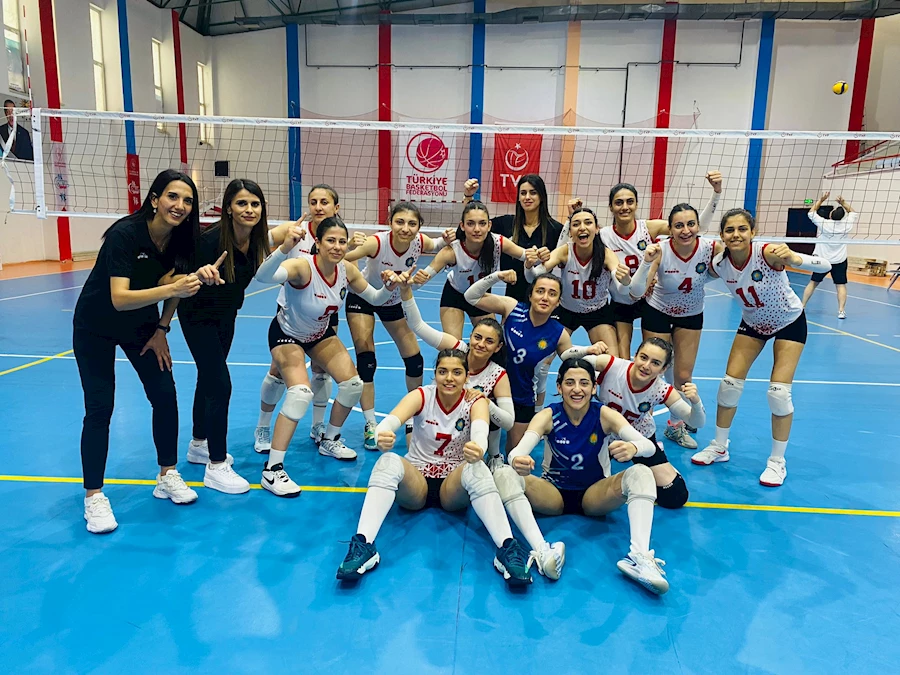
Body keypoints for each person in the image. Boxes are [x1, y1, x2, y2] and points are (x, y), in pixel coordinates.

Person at [74, 169, 203, 533]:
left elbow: (177, 285)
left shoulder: (182, 238)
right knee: (100, 407)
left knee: (164, 394)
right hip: (95, 325)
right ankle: (93, 496)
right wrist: (172, 289)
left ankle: (167, 474)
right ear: (155, 199)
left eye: (187, 200)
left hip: (141, 323)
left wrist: (162, 328)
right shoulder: (125, 234)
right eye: (173, 197)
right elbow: (119, 298)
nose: (180, 205)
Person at [336, 349, 534, 586]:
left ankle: (507, 547)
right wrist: (382, 436)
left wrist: (478, 447)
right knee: (387, 461)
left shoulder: (476, 400)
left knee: (478, 467)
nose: (449, 378)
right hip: (417, 483)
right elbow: (388, 423)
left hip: (453, 487)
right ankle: (363, 544)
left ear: (466, 377)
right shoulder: (422, 395)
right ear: (435, 374)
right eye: (443, 372)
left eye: (456, 372)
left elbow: (480, 433)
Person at [252, 216, 401, 496]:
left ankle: (329, 439)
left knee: (353, 384)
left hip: (318, 334)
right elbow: (262, 277)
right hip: (287, 333)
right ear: (318, 243)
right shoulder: (301, 267)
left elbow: (376, 299)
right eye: (330, 240)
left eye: (342, 241)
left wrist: (389, 287)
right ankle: (272, 470)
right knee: (299, 393)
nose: (337, 246)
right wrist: (284, 248)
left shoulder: (346, 270)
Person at [493, 358, 670, 593]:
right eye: (570, 382)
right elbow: (517, 451)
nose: (577, 389)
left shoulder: (604, 414)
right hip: (553, 494)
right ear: (559, 387)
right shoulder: (548, 415)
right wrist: (518, 461)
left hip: (595, 495)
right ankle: (543, 550)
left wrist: (634, 447)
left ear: (594, 387)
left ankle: (639, 558)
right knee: (503, 472)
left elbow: (648, 447)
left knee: (642, 472)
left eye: (584, 383)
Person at [692, 208, 831, 486]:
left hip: (789, 321)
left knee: (779, 394)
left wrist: (795, 258)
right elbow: (696, 274)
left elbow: (825, 265)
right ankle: (719, 446)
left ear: (752, 232)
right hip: (753, 323)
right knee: (728, 386)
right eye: (730, 230)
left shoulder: (767, 253)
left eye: (742, 229)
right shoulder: (720, 263)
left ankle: (777, 462)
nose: (736, 235)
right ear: (722, 235)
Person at [178, 179, 274, 495]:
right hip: (197, 317)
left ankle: (198, 444)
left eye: (255, 204)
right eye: (241, 203)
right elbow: (179, 279)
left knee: (207, 379)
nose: (249, 210)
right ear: (229, 208)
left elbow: (282, 236)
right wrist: (198, 275)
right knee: (220, 384)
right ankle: (216, 466)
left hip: (226, 316)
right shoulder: (209, 242)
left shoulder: (256, 241)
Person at [343, 202, 453, 450]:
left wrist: (448, 237)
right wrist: (349, 245)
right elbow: (340, 258)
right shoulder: (376, 243)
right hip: (364, 297)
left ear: (419, 226)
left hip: (392, 301)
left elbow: (437, 244)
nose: (405, 228)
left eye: (412, 224)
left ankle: (414, 417)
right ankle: (371, 424)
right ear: (390, 223)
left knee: (415, 360)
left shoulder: (419, 242)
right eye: (400, 222)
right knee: (367, 359)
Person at [463, 269, 607, 452]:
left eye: (552, 294)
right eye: (540, 291)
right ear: (530, 295)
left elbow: (567, 356)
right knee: (472, 441)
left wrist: (588, 350)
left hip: (522, 396)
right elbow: (471, 297)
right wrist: (497, 276)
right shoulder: (512, 308)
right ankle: (492, 456)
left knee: (515, 452)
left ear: (558, 302)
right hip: (488, 387)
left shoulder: (559, 334)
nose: (545, 297)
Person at [562, 338, 705, 509]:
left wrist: (696, 402)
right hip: (602, 434)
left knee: (675, 496)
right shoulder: (612, 366)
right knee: (578, 490)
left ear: (663, 369)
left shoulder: (661, 389)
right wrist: (587, 350)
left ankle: (658, 468)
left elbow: (696, 421)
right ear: (635, 356)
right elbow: (567, 359)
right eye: (643, 358)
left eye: (655, 363)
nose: (646, 366)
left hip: (638, 437)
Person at [627, 200, 723, 448]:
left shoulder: (710, 248)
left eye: (691, 224)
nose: (685, 230)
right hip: (657, 311)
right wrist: (646, 264)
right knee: (651, 370)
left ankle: (675, 426)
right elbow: (636, 292)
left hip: (691, 314)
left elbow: (734, 264)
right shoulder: (660, 250)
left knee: (682, 376)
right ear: (670, 229)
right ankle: (642, 425)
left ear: (698, 226)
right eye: (679, 225)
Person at [254, 185, 341, 453]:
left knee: (322, 369)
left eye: (324, 202)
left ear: (335, 207)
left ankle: (318, 426)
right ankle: (263, 426)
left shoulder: (338, 237)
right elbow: (254, 242)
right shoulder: (294, 229)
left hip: (324, 312)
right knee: (277, 371)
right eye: (313, 201)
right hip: (291, 313)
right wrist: (282, 246)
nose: (318, 207)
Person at [601, 172, 721, 358]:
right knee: (622, 357)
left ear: (636, 204)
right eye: (619, 202)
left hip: (648, 300)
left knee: (662, 354)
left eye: (630, 202)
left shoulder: (649, 227)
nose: (625, 207)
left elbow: (695, 228)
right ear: (611, 207)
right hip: (621, 302)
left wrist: (716, 193)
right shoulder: (603, 235)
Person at [398, 281, 514, 467]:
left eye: (489, 341)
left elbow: (508, 422)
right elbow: (417, 325)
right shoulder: (456, 349)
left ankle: (494, 455)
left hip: (463, 433)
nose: (481, 344)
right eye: (477, 337)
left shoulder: (497, 374)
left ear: (498, 347)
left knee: (483, 410)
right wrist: (405, 292)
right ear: (471, 336)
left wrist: (486, 402)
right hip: (433, 422)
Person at [413, 201, 537, 338]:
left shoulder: (498, 242)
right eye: (471, 223)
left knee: (492, 342)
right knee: (453, 346)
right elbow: (417, 283)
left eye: (482, 223)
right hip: (455, 296)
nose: (477, 229)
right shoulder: (452, 251)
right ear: (462, 226)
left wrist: (539, 254)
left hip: (481, 297)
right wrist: (416, 279)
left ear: (489, 225)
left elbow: (527, 255)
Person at [524, 206, 632, 355]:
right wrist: (529, 265)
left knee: (612, 360)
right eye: (576, 224)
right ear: (570, 232)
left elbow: (622, 290)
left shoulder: (606, 254)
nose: (582, 227)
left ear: (597, 229)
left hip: (597, 312)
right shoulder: (564, 251)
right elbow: (533, 277)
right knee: (541, 356)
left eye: (588, 222)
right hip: (566, 311)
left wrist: (625, 281)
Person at [461, 175, 561, 302]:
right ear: (518, 197)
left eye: (533, 193)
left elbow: (568, 256)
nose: (527, 197)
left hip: (543, 299)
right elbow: (475, 224)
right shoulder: (506, 224)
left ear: (541, 196)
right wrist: (468, 197)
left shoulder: (555, 229)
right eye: (523, 193)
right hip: (512, 299)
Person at [801, 192, 856, 319]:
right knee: (840, 285)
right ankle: (841, 311)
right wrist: (843, 203)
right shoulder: (846, 225)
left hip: (823, 261)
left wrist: (821, 200)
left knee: (813, 283)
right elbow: (853, 212)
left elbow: (811, 212)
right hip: (839, 260)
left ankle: (802, 306)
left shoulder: (824, 223)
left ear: (831, 215)